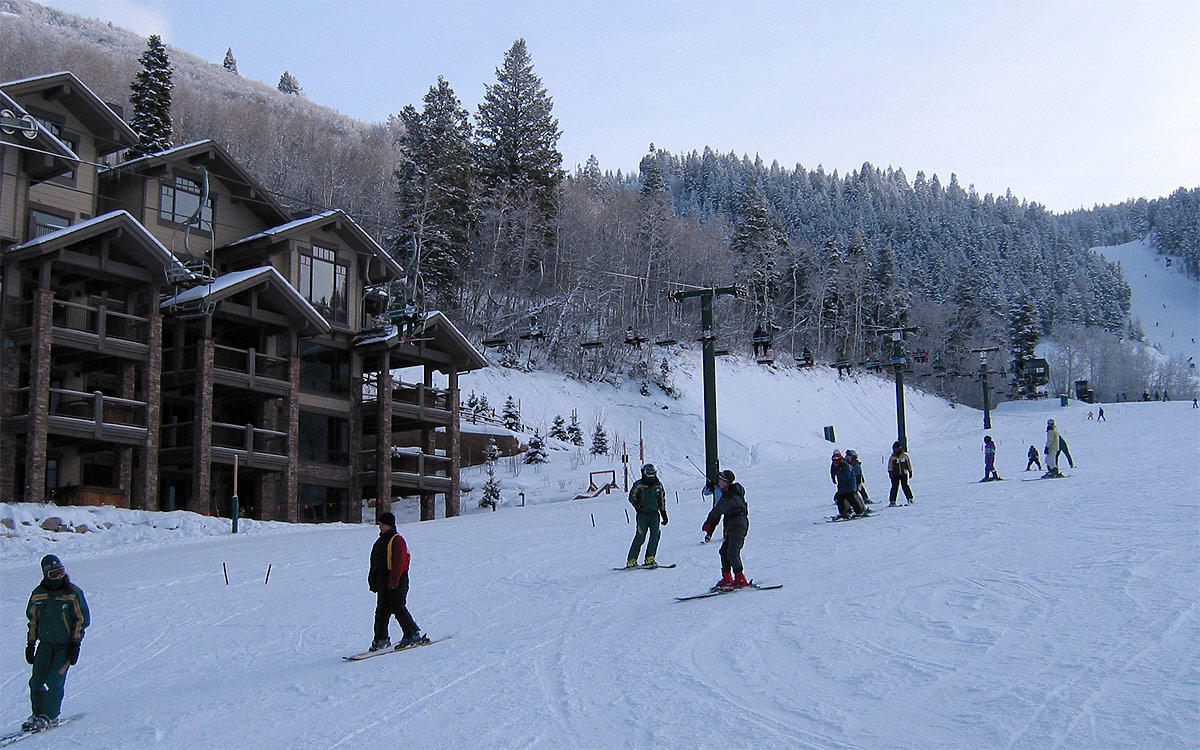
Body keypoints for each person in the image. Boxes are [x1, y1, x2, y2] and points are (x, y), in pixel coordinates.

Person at [24, 555, 89, 732]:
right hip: (45, 645)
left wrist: (76, 643)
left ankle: (50, 716)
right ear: (46, 574)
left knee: (55, 680)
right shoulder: (39, 594)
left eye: (61, 572)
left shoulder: (72, 593)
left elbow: (81, 619)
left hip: (65, 647)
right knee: (36, 681)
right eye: (54, 574)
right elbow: (33, 620)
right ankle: (38, 714)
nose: (59, 577)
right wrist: (31, 644)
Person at [367, 512, 428, 652]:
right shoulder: (380, 541)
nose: (381, 527)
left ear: (390, 525)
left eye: (383, 524)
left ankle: (412, 633)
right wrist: (373, 580)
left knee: (397, 606)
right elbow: (375, 563)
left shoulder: (397, 540)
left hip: (397, 579)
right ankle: (380, 638)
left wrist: (394, 581)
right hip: (383, 580)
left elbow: (400, 562)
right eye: (380, 524)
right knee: (382, 610)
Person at [701, 469, 749, 590]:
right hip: (733, 524)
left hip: (738, 524)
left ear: (725, 481)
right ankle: (727, 578)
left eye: (720, 480)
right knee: (724, 551)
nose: (718, 482)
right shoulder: (729, 493)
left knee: (732, 551)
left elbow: (719, 509)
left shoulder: (730, 495)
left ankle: (740, 578)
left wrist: (709, 521)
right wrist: (711, 524)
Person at [626, 463, 668, 568]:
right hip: (642, 515)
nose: (651, 476)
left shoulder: (658, 485)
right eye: (648, 474)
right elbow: (632, 497)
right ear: (644, 473)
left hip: (654, 514)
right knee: (640, 536)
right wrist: (637, 505)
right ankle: (632, 560)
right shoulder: (639, 485)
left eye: (652, 474)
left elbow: (661, 499)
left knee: (655, 535)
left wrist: (663, 513)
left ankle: (650, 558)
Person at [831, 450, 867, 519]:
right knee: (840, 499)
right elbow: (833, 472)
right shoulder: (838, 466)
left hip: (849, 487)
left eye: (836, 461)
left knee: (851, 499)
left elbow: (846, 476)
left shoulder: (846, 466)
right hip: (843, 488)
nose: (835, 463)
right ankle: (843, 513)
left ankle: (859, 511)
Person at [887, 441, 914, 505]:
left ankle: (910, 499)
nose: (896, 450)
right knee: (894, 487)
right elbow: (890, 466)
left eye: (897, 448)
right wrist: (890, 473)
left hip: (903, 474)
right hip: (895, 474)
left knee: (905, 486)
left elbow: (908, 464)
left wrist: (910, 471)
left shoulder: (904, 456)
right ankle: (892, 501)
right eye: (895, 449)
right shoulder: (892, 457)